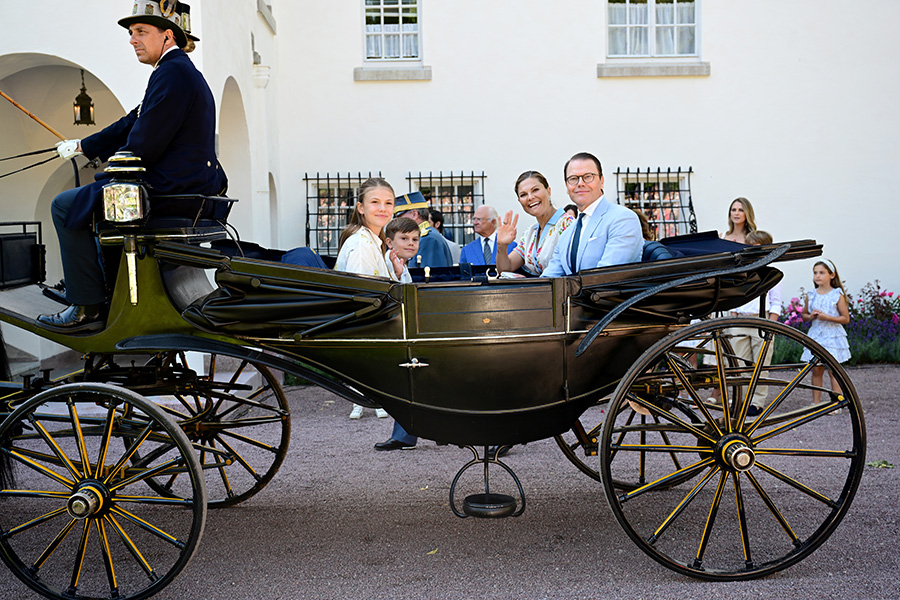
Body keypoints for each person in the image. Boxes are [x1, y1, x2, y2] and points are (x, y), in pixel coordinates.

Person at [37, 1, 227, 333]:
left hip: (169, 189)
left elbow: (143, 145)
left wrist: (104, 175)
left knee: (65, 206)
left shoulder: (173, 73)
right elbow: (133, 120)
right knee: (90, 203)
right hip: (185, 185)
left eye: (141, 32)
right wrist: (83, 146)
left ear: (167, 36)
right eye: (130, 33)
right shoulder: (175, 71)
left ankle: (86, 304)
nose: (132, 39)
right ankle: (91, 284)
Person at [335, 177, 395, 420]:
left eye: (388, 203)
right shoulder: (361, 245)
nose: (383, 208)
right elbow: (364, 296)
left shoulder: (372, 240)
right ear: (361, 207)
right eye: (375, 202)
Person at [540, 152, 642, 278]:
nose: (580, 183)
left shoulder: (623, 219)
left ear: (602, 181)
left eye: (588, 177)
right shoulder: (568, 233)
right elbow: (550, 278)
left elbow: (605, 277)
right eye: (573, 179)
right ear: (567, 187)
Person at [728, 230, 782, 416]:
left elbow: (776, 301)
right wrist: (733, 314)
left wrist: (771, 325)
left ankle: (756, 402)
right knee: (739, 364)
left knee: (761, 364)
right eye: (749, 247)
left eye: (756, 248)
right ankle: (740, 400)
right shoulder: (742, 269)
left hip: (761, 319)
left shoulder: (771, 272)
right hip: (741, 319)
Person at [496, 171, 573, 276]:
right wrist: (501, 245)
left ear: (548, 191)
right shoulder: (529, 233)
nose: (530, 197)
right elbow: (506, 269)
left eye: (535, 190)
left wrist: (528, 282)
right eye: (523, 195)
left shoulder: (568, 225)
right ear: (519, 201)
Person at [801, 259, 851, 409]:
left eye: (822, 273)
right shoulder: (811, 294)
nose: (817, 276)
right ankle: (815, 403)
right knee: (816, 369)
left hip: (832, 336)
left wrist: (827, 317)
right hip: (816, 335)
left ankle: (836, 403)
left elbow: (845, 318)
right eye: (815, 273)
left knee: (833, 371)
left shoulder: (837, 294)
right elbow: (804, 314)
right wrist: (811, 316)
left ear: (832, 275)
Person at [394, 191, 452, 269]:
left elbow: (429, 278)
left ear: (414, 214)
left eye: (400, 217)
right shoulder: (424, 237)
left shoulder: (428, 239)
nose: (397, 221)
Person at [384, 217, 420, 284]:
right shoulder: (385, 265)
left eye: (415, 239)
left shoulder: (404, 265)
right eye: (404, 238)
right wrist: (397, 275)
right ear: (389, 243)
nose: (411, 243)